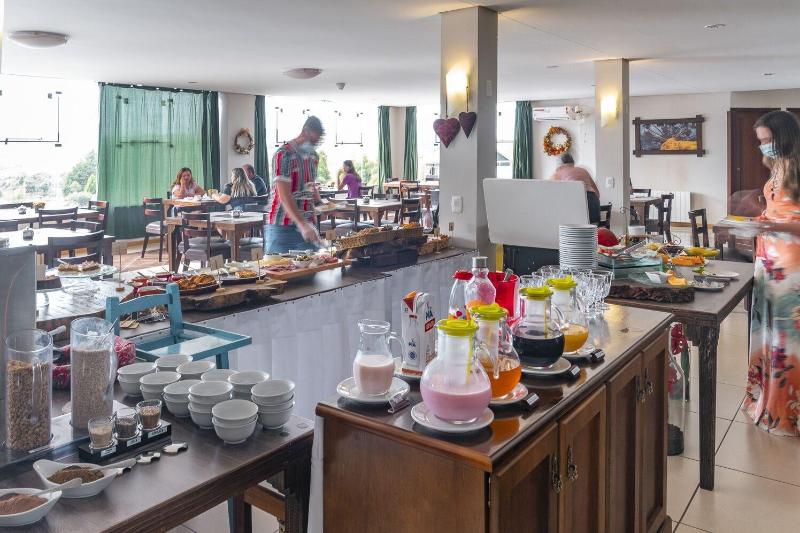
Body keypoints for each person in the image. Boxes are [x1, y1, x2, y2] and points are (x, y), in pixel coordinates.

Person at [744, 110, 800, 436]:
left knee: (786, 339)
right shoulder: (777, 166)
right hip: (768, 259)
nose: (763, 146)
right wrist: (762, 217)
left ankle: (786, 412)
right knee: (767, 333)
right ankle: (765, 401)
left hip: (791, 264)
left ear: (784, 137)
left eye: (767, 140)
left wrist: (774, 225)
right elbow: (779, 209)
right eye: (761, 141)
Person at [265, 116, 324, 252]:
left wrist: (319, 203)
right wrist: (302, 224)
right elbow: (284, 195)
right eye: (312, 141)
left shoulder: (313, 157)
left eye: (317, 142)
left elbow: (311, 184)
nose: (314, 145)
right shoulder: (284, 154)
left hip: (308, 225)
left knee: (312, 264)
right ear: (305, 132)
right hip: (283, 226)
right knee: (279, 265)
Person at [549, 154, 601, 224]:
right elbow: (597, 193)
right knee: (592, 227)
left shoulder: (558, 173)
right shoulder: (583, 170)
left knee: (572, 226)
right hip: (592, 199)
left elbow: (550, 195)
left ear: (559, 165)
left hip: (576, 202)